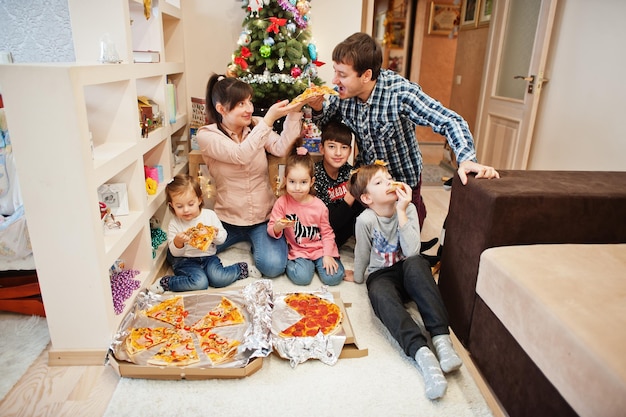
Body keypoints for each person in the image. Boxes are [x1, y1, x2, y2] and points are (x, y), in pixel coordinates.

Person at [310, 32, 499, 229]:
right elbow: (326, 125)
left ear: (366, 75)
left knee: (407, 238)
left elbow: (450, 120)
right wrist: (317, 108)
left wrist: (466, 158)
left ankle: (419, 209)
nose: (334, 80)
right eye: (335, 71)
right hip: (369, 180)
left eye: (342, 75)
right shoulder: (343, 95)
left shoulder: (400, 92)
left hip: (404, 179)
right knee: (366, 233)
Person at [347, 161, 462, 400]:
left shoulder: (407, 209)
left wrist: (402, 211)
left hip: (408, 267)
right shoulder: (365, 220)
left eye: (389, 178)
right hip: (381, 274)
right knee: (378, 294)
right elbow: (362, 253)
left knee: (417, 263)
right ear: (367, 198)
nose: (389, 183)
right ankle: (423, 355)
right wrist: (358, 276)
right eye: (380, 182)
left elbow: (411, 252)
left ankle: (442, 340)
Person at [196, 74, 312, 278]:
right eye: (241, 103)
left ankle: (258, 245)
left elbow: (280, 147)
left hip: (262, 217)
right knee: (186, 255)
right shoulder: (207, 135)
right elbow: (240, 154)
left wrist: (294, 113)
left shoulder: (256, 126)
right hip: (227, 219)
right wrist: (268, 120)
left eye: (249, 101)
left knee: (274, 267)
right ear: (221, 108)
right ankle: (237, 268)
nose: (249, 108)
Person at [150, 174, 261, 293]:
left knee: (219, 279)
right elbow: (175, 253)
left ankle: (242, 269)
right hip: (185, 260)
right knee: (200, 283)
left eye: (190, 204)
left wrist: (215, 235)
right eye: (179, 206)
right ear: (172, 206)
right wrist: (178, 242)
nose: (186, 210)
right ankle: (166, 283)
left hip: (208, 257)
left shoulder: (210, 216)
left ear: (199, 199)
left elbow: (222, 239)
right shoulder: (174, 223)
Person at [268, 147, 347, 286]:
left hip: (320, 249)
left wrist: (328, 255)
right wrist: (277, 227)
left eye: (303, 182)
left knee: (334, 277)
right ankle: (299, 265)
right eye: (292, 182)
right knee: (302, 278)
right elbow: (271, 229)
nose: (297, 188)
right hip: (299, 251)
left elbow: (327, 233)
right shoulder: (282, 203)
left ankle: (318, 264)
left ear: (311, 182)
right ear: (285, 180)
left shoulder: (319, 206)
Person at [313, 120, 364, 248]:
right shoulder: (315, 175)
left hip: (343, 234)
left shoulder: (350, 172)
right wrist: (350, 195)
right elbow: (327, 223)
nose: (338, 153)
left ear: (350, 151)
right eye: (331, 146)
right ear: (322, 148)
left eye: (344, 147)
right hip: (321, 236)